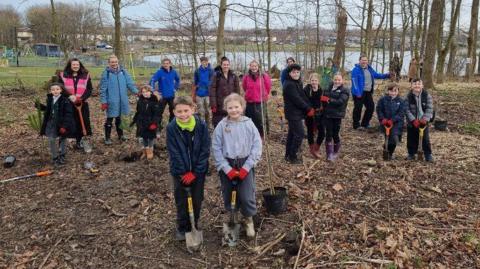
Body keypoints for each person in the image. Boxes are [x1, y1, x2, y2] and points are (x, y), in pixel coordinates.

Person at [212, 93, 262, 239]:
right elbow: (215, 147)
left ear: (242, 107)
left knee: (246, 195)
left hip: (245, 162)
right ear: (226, 109)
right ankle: (232, 218)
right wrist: (226, 168)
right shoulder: (222, 125)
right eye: (230, 107)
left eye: (236, 107)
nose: (234, 110)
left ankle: (249, 219)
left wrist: (247, 166)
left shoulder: (248, 123)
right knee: (229, 193)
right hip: (227, 163)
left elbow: (257, 145)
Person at [166, 96, 210, 241]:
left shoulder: (201, 125)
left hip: (198, 172)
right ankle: (182, 226)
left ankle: (194, 224)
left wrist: (196, 172)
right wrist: (183, 173)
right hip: (180, 173)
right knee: (181, 200)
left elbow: (205, 150)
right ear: (174, 112)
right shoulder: (172, 128)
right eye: (179, 112)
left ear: (193, 109)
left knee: (197, 199)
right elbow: (174, 153)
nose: (183, 114)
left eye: (186, 110)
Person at [100, 55, 138, 145]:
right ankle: (107, 138)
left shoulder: (123, 72)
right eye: (112, 62)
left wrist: (137, 92)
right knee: (109, 119)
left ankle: (121, 135)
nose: (114, 64)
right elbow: (103, 89)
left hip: (123, 100)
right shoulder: (106, 73)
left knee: (119, 119)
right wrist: (104, 101)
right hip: (111, 101)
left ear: (118, 62)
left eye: (115, 62)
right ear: (109, 63)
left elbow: (130, 84)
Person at [58, 58, 93, 153]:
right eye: (73, 64)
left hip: (81, 103)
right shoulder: (63, 75)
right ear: (70, 65)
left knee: (81, 123)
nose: (75, 66)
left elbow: (89, 89)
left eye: (77, 64)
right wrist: (70, 96)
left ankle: (79, 142)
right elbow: (60, 87)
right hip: (67, 103)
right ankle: (62, 143)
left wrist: (82, 98)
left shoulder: (85, 75)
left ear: (79, 65)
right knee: (66, 122)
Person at [37, 83, 76, 166]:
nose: (55, 91)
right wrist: (40, 106)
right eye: (53, 89)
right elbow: (49, 110)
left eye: (57, 89)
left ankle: (62, 155)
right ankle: (55, 157)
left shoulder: (65, 100)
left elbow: (68, 114)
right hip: (51, 122)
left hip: (62, 123)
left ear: (61, 90)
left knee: (62, 139)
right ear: (50, 91)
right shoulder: (50, 99)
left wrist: (64, 126)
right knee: (51, 139)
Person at [283, 64, 314, 164]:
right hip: (293, 114)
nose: (296, 74)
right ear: (289, 73)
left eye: (297, 72)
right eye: (293, 72)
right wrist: (308, 108)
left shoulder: (296, 82)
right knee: (299, 134)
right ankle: (292, 156)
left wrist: (310, 106)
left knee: (292, 134)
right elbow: (297, 99)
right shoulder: (289, 84)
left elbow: (302, 96)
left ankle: (288, 155)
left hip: (295, 113)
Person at [351, 55, 392, 130]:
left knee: (370, 107)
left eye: (365, 60)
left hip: (368, 92)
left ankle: (364, 124)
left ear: (367, 61)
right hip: (359, 92)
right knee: (358, 108)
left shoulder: (369, 69)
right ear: (359, 61)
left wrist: (387, 75)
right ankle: (356, 125)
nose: (364, 62)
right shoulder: (355, 70)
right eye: (362, 60)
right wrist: (358, 93)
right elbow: (354, 82)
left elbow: (377, 75)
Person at [405, 78, 434, 162]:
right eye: (415, 84)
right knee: (411, 137)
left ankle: (428, 154)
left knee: (425, 138)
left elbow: (430, 108)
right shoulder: (408, 96)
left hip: (423, 121)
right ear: (411, 86)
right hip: (412, 121)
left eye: (419, 84)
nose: (417, 85)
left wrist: (425, 119)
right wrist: (413, 120)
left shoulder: (427, 95)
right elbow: (406, 109)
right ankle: (411, 153)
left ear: (422, 86)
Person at [322, 74, 349, 161]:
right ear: (333, 80)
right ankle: (329, 154)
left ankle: (335, 152)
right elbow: (322, 98)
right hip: (327, 115)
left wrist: (329, 100)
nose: (337, 81)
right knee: (328, 133)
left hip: (337, 115)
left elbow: (340, 101)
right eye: (335, 79)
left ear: (342, 81)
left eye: (339, 80)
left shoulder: (345, 90)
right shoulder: (327, 89)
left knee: (335, 134)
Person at [242, 60, 272, 138]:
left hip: (260, 101)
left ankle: (261, 135)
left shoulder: (264, 76)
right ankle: (250, 134)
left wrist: (264, 95)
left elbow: (268, 87)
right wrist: (250, 94)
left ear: (258, 67)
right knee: (250, 119)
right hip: (250, 101)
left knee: (260, 120)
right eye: (252, 66)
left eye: (255, 66)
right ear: (250, 66)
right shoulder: (246, 76)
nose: (254, 67)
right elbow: (244, 87)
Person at [376, 83, 405, 160]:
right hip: (385, 123)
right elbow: (379, 110)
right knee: (387, 139)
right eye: (391, 91)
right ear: (388, 91)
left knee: (394, 140)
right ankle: (386, 153)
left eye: (395, 91)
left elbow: (401, 113)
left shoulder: (401, 101)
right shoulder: (382, 100)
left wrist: (393, 120)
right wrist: (382, 119)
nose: (393, 93)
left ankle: (390, 152)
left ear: (398, 91)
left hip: (396, 124)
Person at [150, 58, 181, 131]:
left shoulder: (174, 72)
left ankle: (171, 126)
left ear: (170, 64)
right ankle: (158, 128)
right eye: (164, 63)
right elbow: (152, 80)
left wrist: (176, 88)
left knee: (173, 112)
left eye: (167, 63)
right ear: (162, 64)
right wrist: (154, 91)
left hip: (171, 96)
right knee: (158, 113)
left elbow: (178, 79)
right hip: (162, 97)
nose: (165, 65)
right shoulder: (159, 72)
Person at [209, 57, 240, 128]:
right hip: (219, 104)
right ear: (221, 65)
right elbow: (212, 91)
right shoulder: (216, 75)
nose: (226, 66)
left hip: (231, 103)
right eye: (224, 64)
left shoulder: (233, 76)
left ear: (229, 65)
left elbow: (237, 90)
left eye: (227, 64)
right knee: (219, 123)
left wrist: (238, 102)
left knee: (231, 121)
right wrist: (213, 105)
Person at [131, 85, 160, 160]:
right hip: (141, 122)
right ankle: (145, 151)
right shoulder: (140, 101)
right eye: (143, 92)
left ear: (150, 92)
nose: (145, 93)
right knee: (143, 137)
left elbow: (156, 115)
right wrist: (134, 120)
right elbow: (138, 112)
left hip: (150, 122)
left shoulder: (154, 102)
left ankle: (150, 152)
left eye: (147, 91)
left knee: (150, 138)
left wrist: (154, 123)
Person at [304, 73, 325, 159]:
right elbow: (304, 100)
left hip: (319, 113)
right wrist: (309, 109)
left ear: (318, 81)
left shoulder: (321, 90)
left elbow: (324, 101)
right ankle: (312, 149)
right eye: (312, 80)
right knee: (310, 131)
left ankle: (316, 147)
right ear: (310, 81)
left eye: (315, 80)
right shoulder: (306, 89)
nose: (314, 82)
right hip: (309, 113)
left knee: (322, 132)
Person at [192, 56, 215, 126]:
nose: (205, 63)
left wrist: (208, 85)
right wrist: (197, 86)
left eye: (206, 61)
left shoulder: (211, 70)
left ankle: (210, 126)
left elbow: (213, 80)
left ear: (208, 61)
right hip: (199, 94)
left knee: (208, 111)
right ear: (201, 62)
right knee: (201, 111)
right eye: (203, 61)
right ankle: (202, 125)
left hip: (208, 94)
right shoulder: (197, 71)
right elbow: (195, 82)